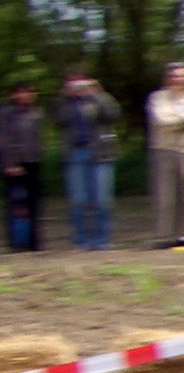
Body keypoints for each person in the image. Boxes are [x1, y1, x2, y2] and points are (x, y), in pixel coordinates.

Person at [52, 72, 119, 249]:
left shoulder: (99, 99)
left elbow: (112, 114)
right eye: (74, 86)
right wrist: (64, 97)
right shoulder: (65, 104)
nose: (79, 90)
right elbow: (58, 120)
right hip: (75, 153)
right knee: (79, 199)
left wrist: (97, 94)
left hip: (100, 153)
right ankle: (81, 240)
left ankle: (102, 239)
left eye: (82, 85)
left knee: (102, 198)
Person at [146, 61, 184, 248]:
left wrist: (179, 120)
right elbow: (161, 120)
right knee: (165, 196)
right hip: (163, 151)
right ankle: (162, 236)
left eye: (183, 76)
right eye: (175, 76)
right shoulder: (157, 98)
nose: (179, 80)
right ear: (168, 78)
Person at [2, 82, 43, 252]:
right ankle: (17, 243)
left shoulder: (36, 113)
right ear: (15, 95)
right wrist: (10, 164)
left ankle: (33, 243)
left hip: (33, 163)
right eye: (22, 92)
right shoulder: (6, 114)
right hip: (14, 164)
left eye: (29, 92)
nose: (26, 95)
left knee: (34, 205)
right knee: (16, 206)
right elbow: (4, 141)